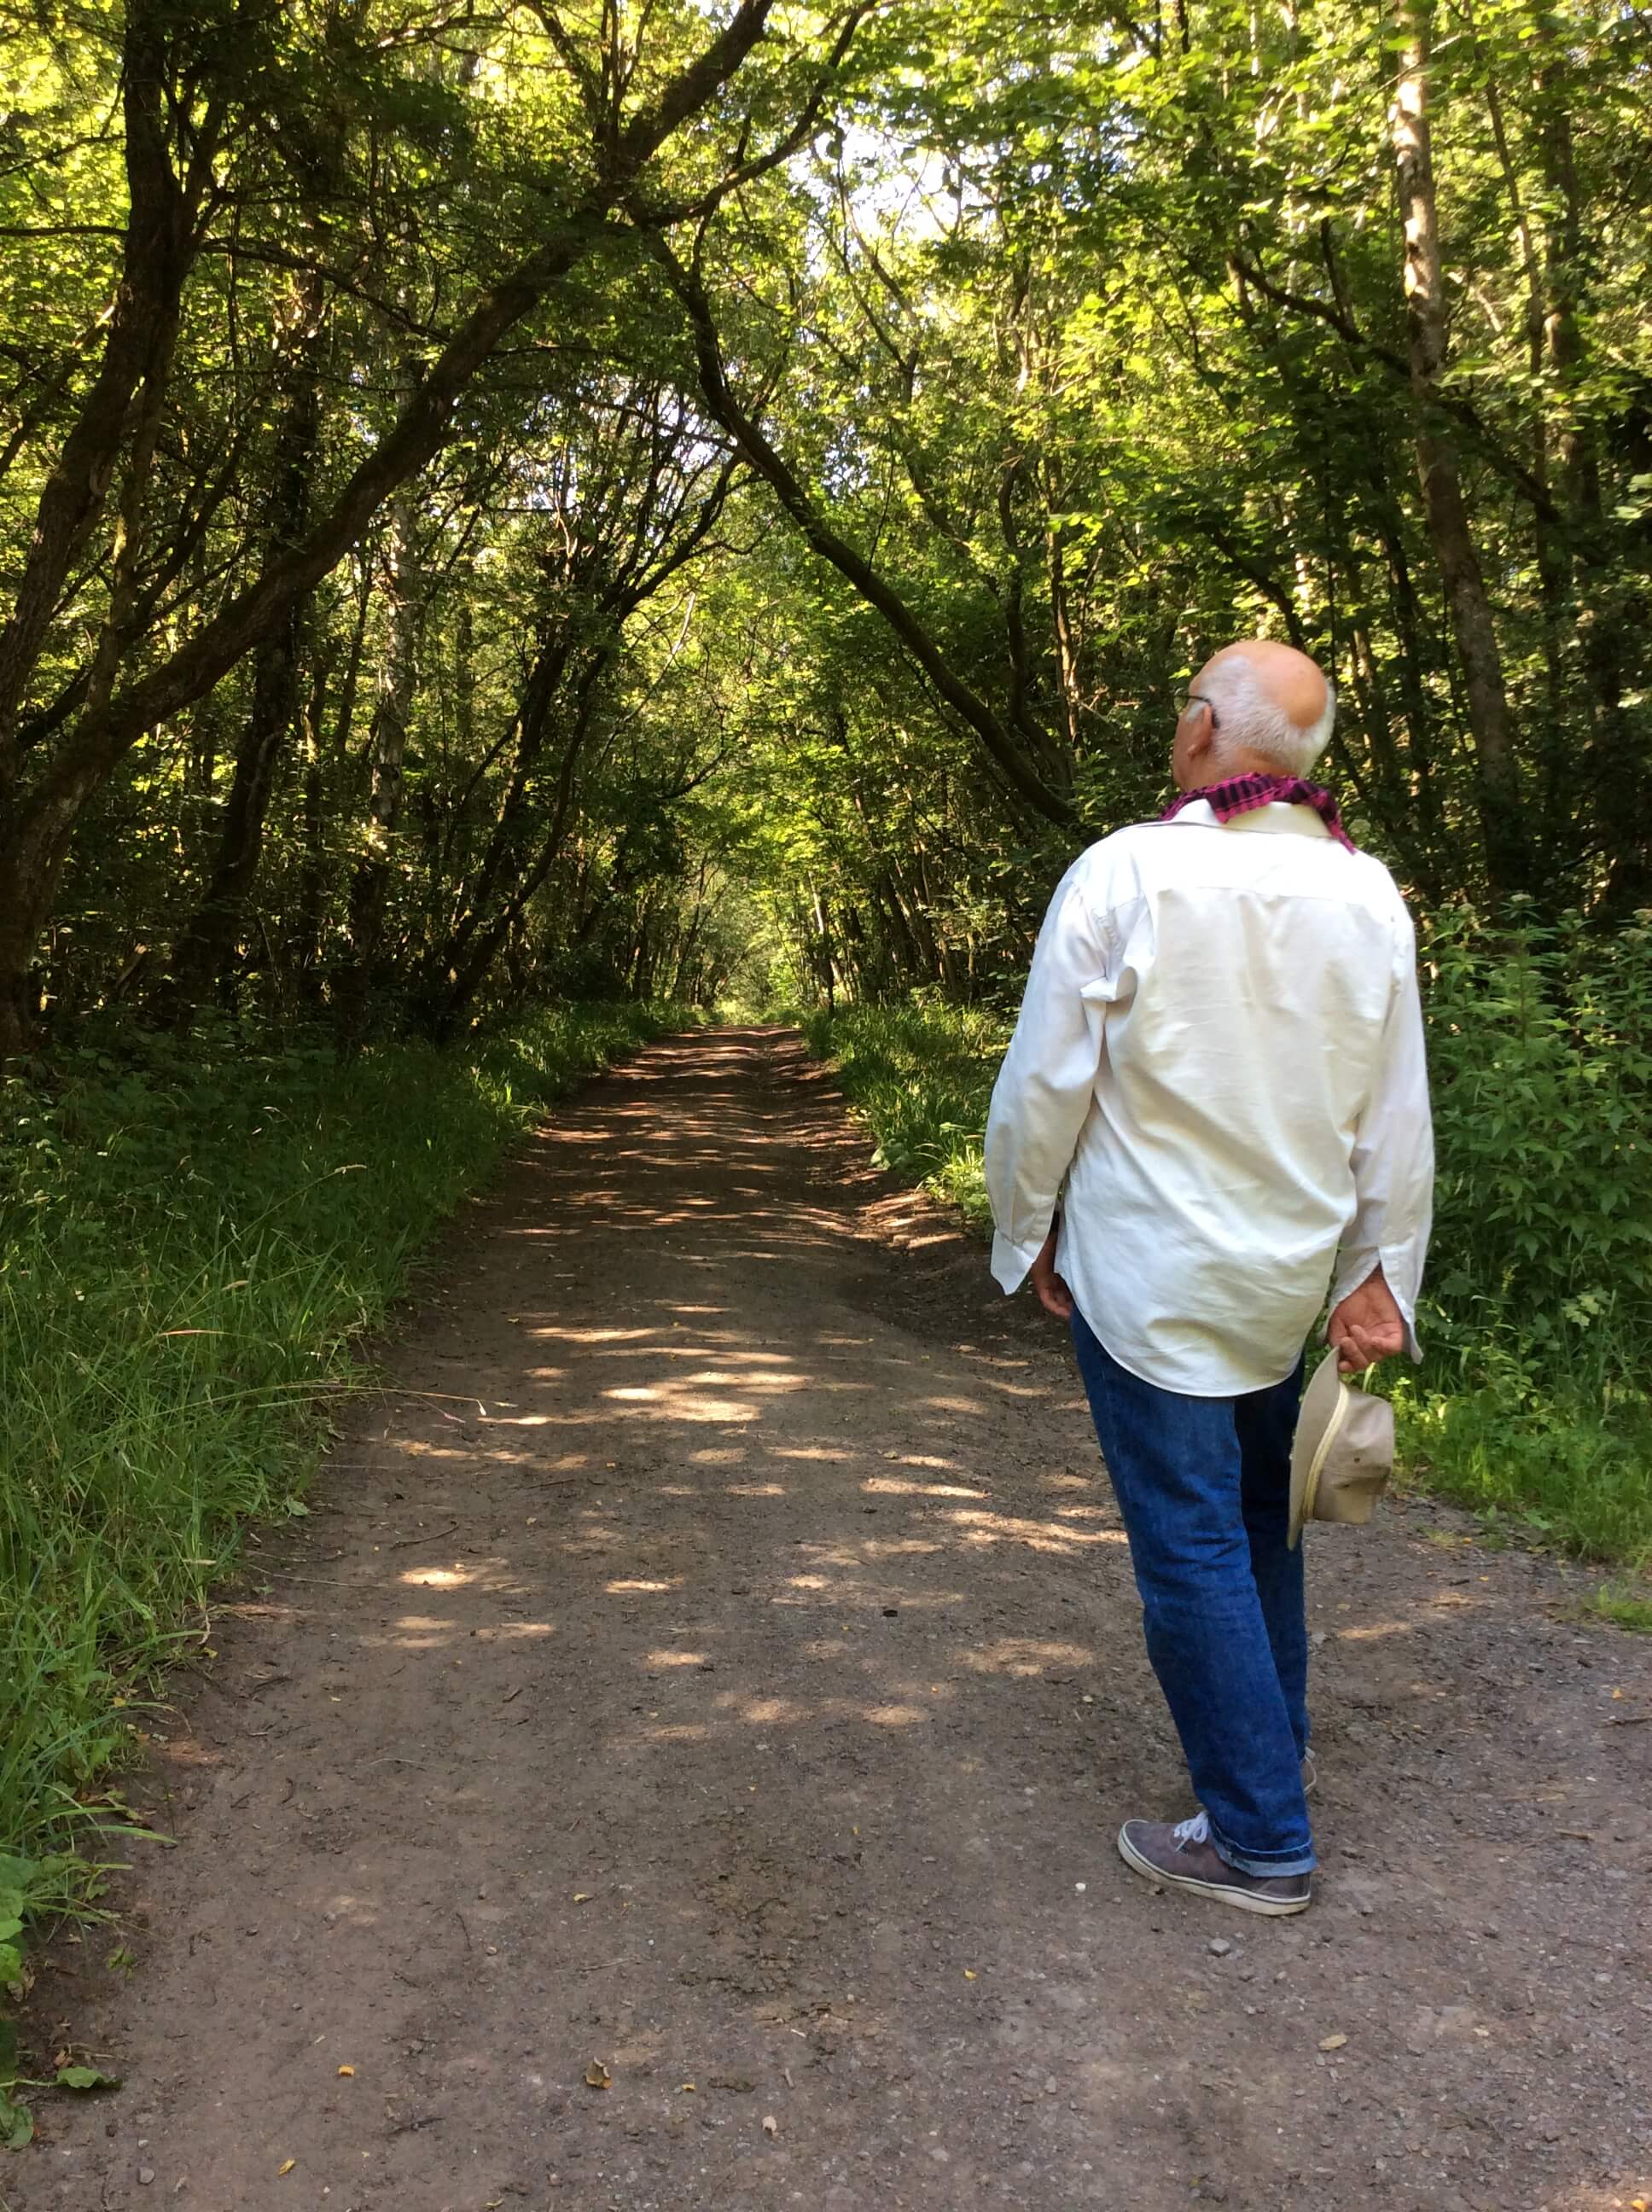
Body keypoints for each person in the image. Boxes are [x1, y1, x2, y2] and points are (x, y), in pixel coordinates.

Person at [983, 639, 1433, 1917]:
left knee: (1189, 1548)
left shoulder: (1129, 871)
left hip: (1150, 1278)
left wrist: (1029, 1231)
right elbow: (1394, 1115)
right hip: (1281, 1283)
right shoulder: (1369, 896)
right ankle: (1263, 1758)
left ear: (1199, 732)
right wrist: (1376, 1274)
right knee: (1257, 1531)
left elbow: (1045, 1086)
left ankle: (1256, 1838)